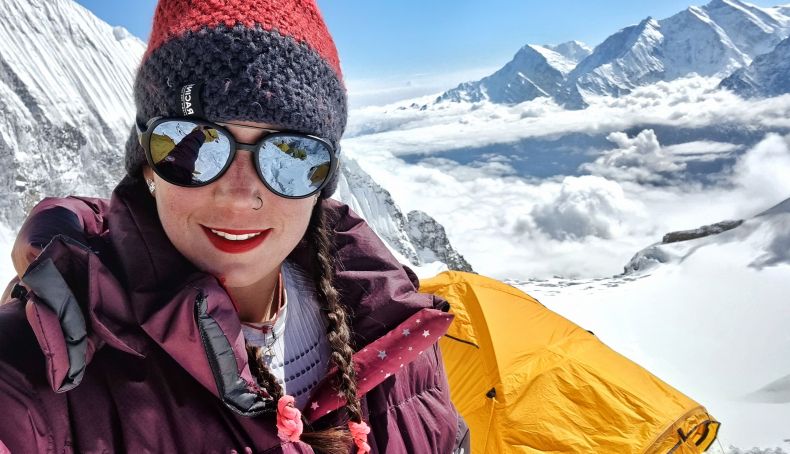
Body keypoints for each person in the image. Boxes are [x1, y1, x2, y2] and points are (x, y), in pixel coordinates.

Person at [0, 1, 469, 452]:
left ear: (322, 183)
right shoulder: (39, 367)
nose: (240, 194)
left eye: (291, 154)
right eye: (193, 146)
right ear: (147, 166)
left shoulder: (397, 332)